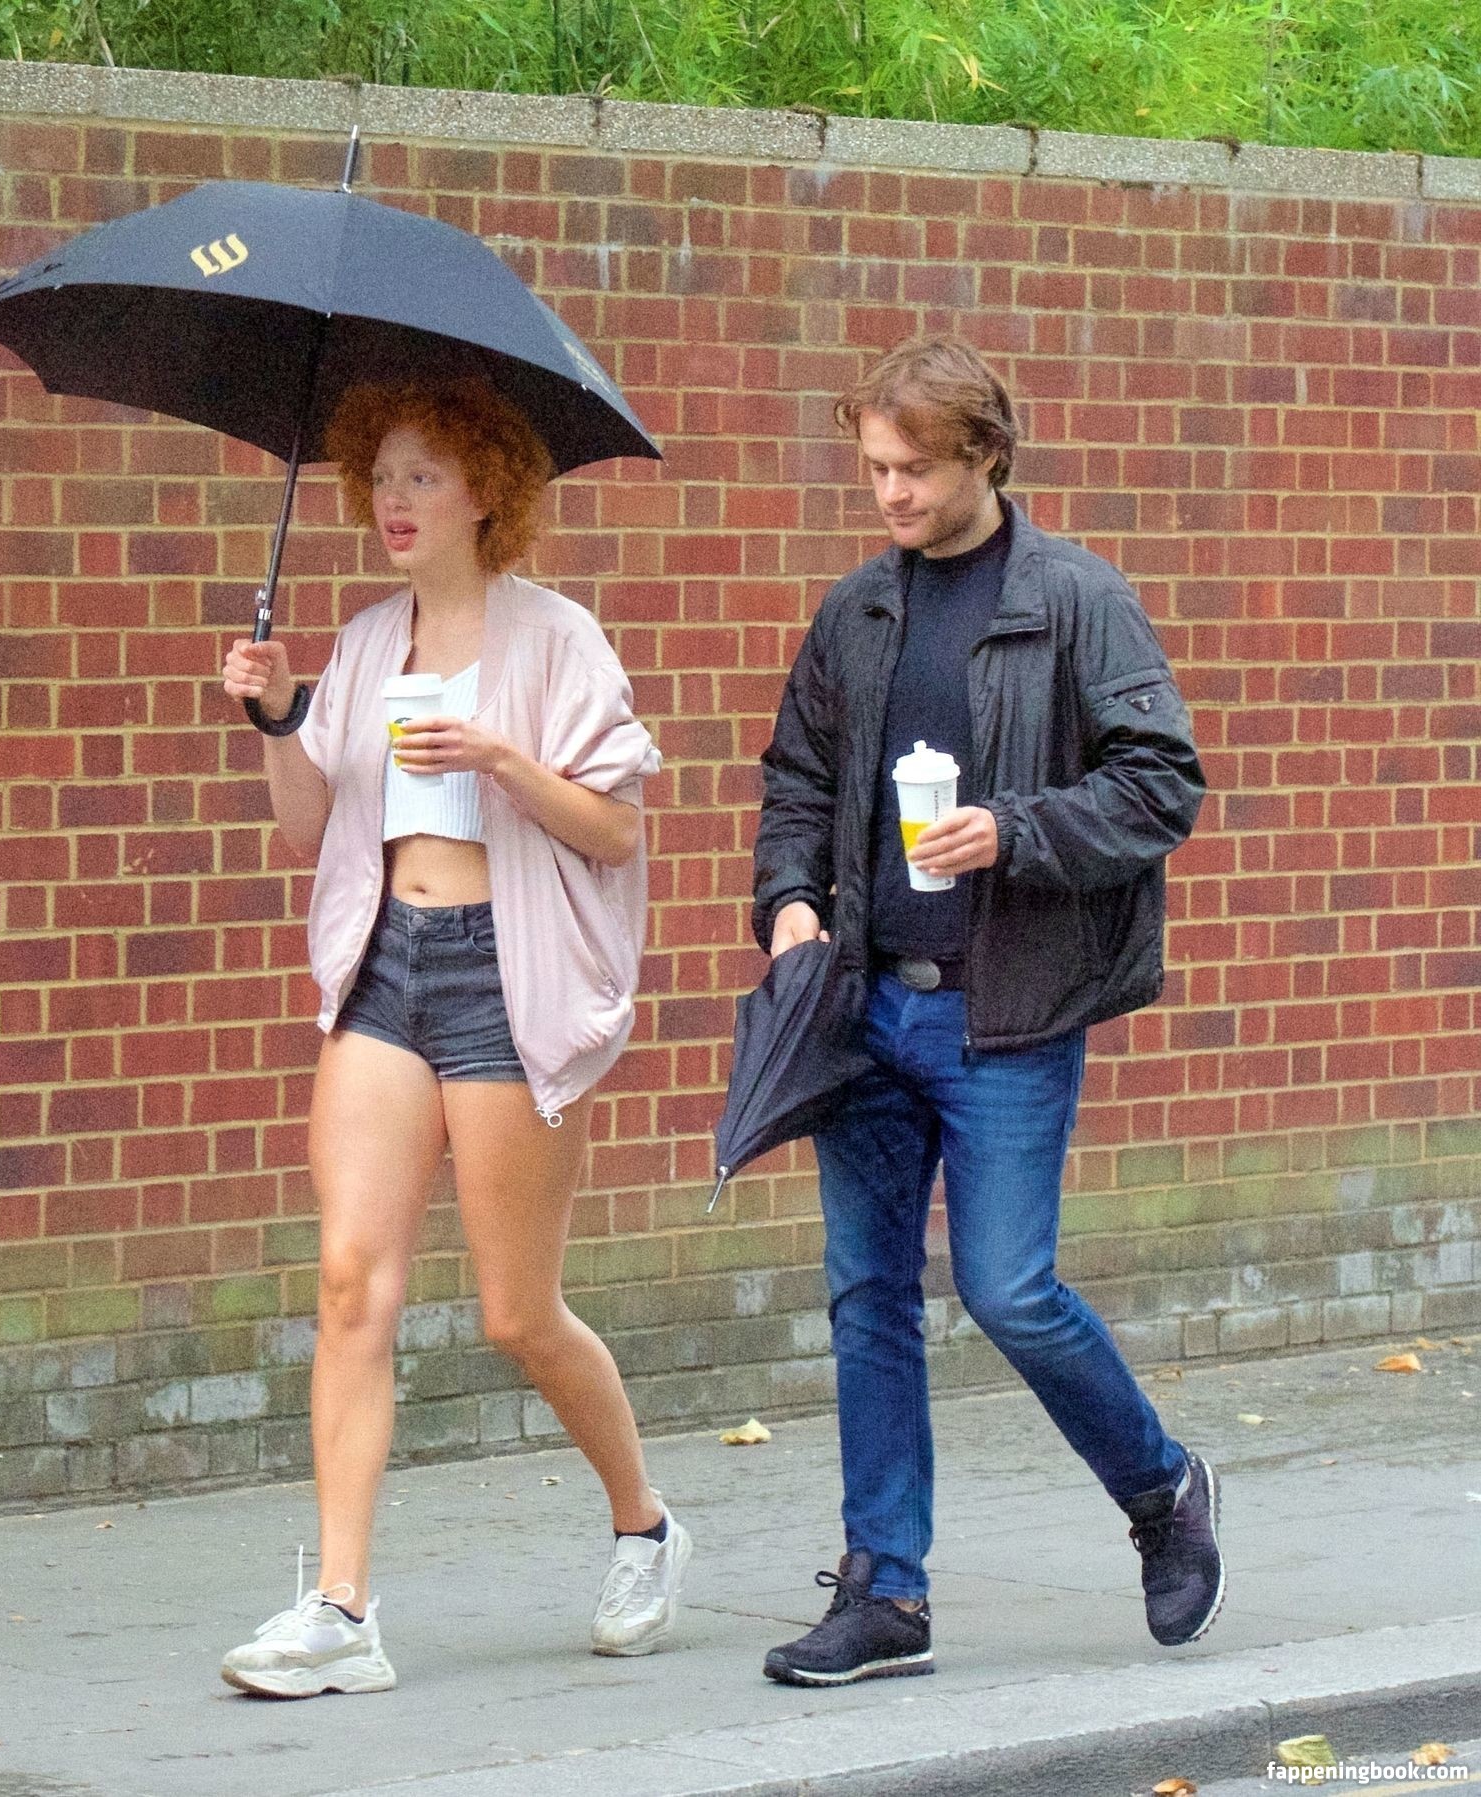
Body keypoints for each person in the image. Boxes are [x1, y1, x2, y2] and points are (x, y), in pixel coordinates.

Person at [750, 334, 1218, 1688]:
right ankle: (885, 1589)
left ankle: (1162, 1489)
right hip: (863, 1010)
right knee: (867, 1296)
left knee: (1009, 1288)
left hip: (1005, 1011)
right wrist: (790, 903)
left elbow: (1161, 784)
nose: (889, 493)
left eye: (913, 469)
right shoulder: (858, 610)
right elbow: (797, 777)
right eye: (874, 469)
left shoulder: (1077, 599)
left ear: (986, 456)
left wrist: (1012, 830)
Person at [216, 375, 686, 1698]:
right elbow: (310, 830)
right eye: (381, 477)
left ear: (487, 489)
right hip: (385, 968)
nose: (394, 500)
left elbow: (616, 829)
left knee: (517, 1313)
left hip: (505, 975)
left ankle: (645, 1525)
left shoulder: (557, 640)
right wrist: (277, 718)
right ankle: (340, 1607)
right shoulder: (369, 643)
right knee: (350, 1281)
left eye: (423, 476)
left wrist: (499, 760)